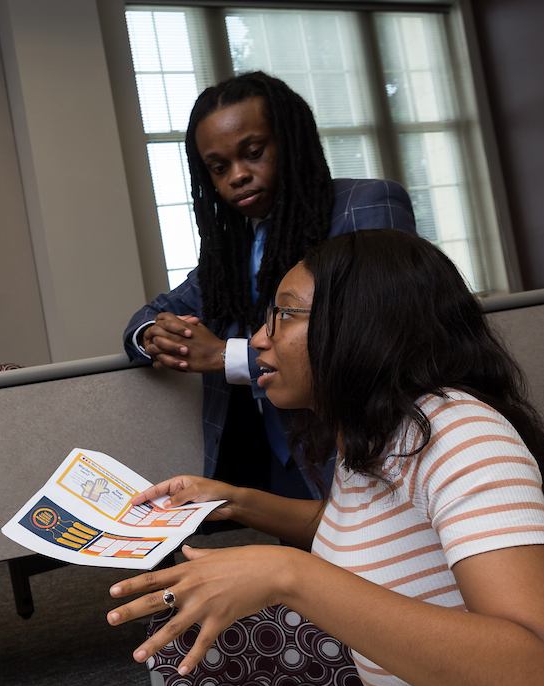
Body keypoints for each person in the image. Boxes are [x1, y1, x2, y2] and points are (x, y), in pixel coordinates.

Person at [109, 229, 544, 686]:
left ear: (360, 328)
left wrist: (287, 573)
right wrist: (236, 502)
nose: (258, 338)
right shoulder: (381, 431)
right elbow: (373, 532)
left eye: (284, 314)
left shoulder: (460, 435)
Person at [124, 72, 416, 501]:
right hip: (285, 462)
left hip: (364, 452)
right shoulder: (231, 253)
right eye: (219, 168)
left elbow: (374, 336)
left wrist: (226, 355)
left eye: (253, 153)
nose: (237, 176)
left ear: (290, 141)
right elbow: (149, 315)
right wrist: (154, 335)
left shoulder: (366, 206)